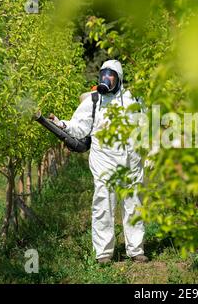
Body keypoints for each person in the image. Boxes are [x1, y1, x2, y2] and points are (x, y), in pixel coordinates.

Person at [49, 60, 148, 264]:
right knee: (103, 206)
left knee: (134, 206)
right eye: (104, 74)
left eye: (111, 75)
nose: (107, 79)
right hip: (104, 163)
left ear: (119, 78)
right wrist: (62, 124)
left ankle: (136, 250)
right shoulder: (93, 101)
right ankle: (103, 254)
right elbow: (79, 127)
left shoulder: (134, 99)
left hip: (132, 162)